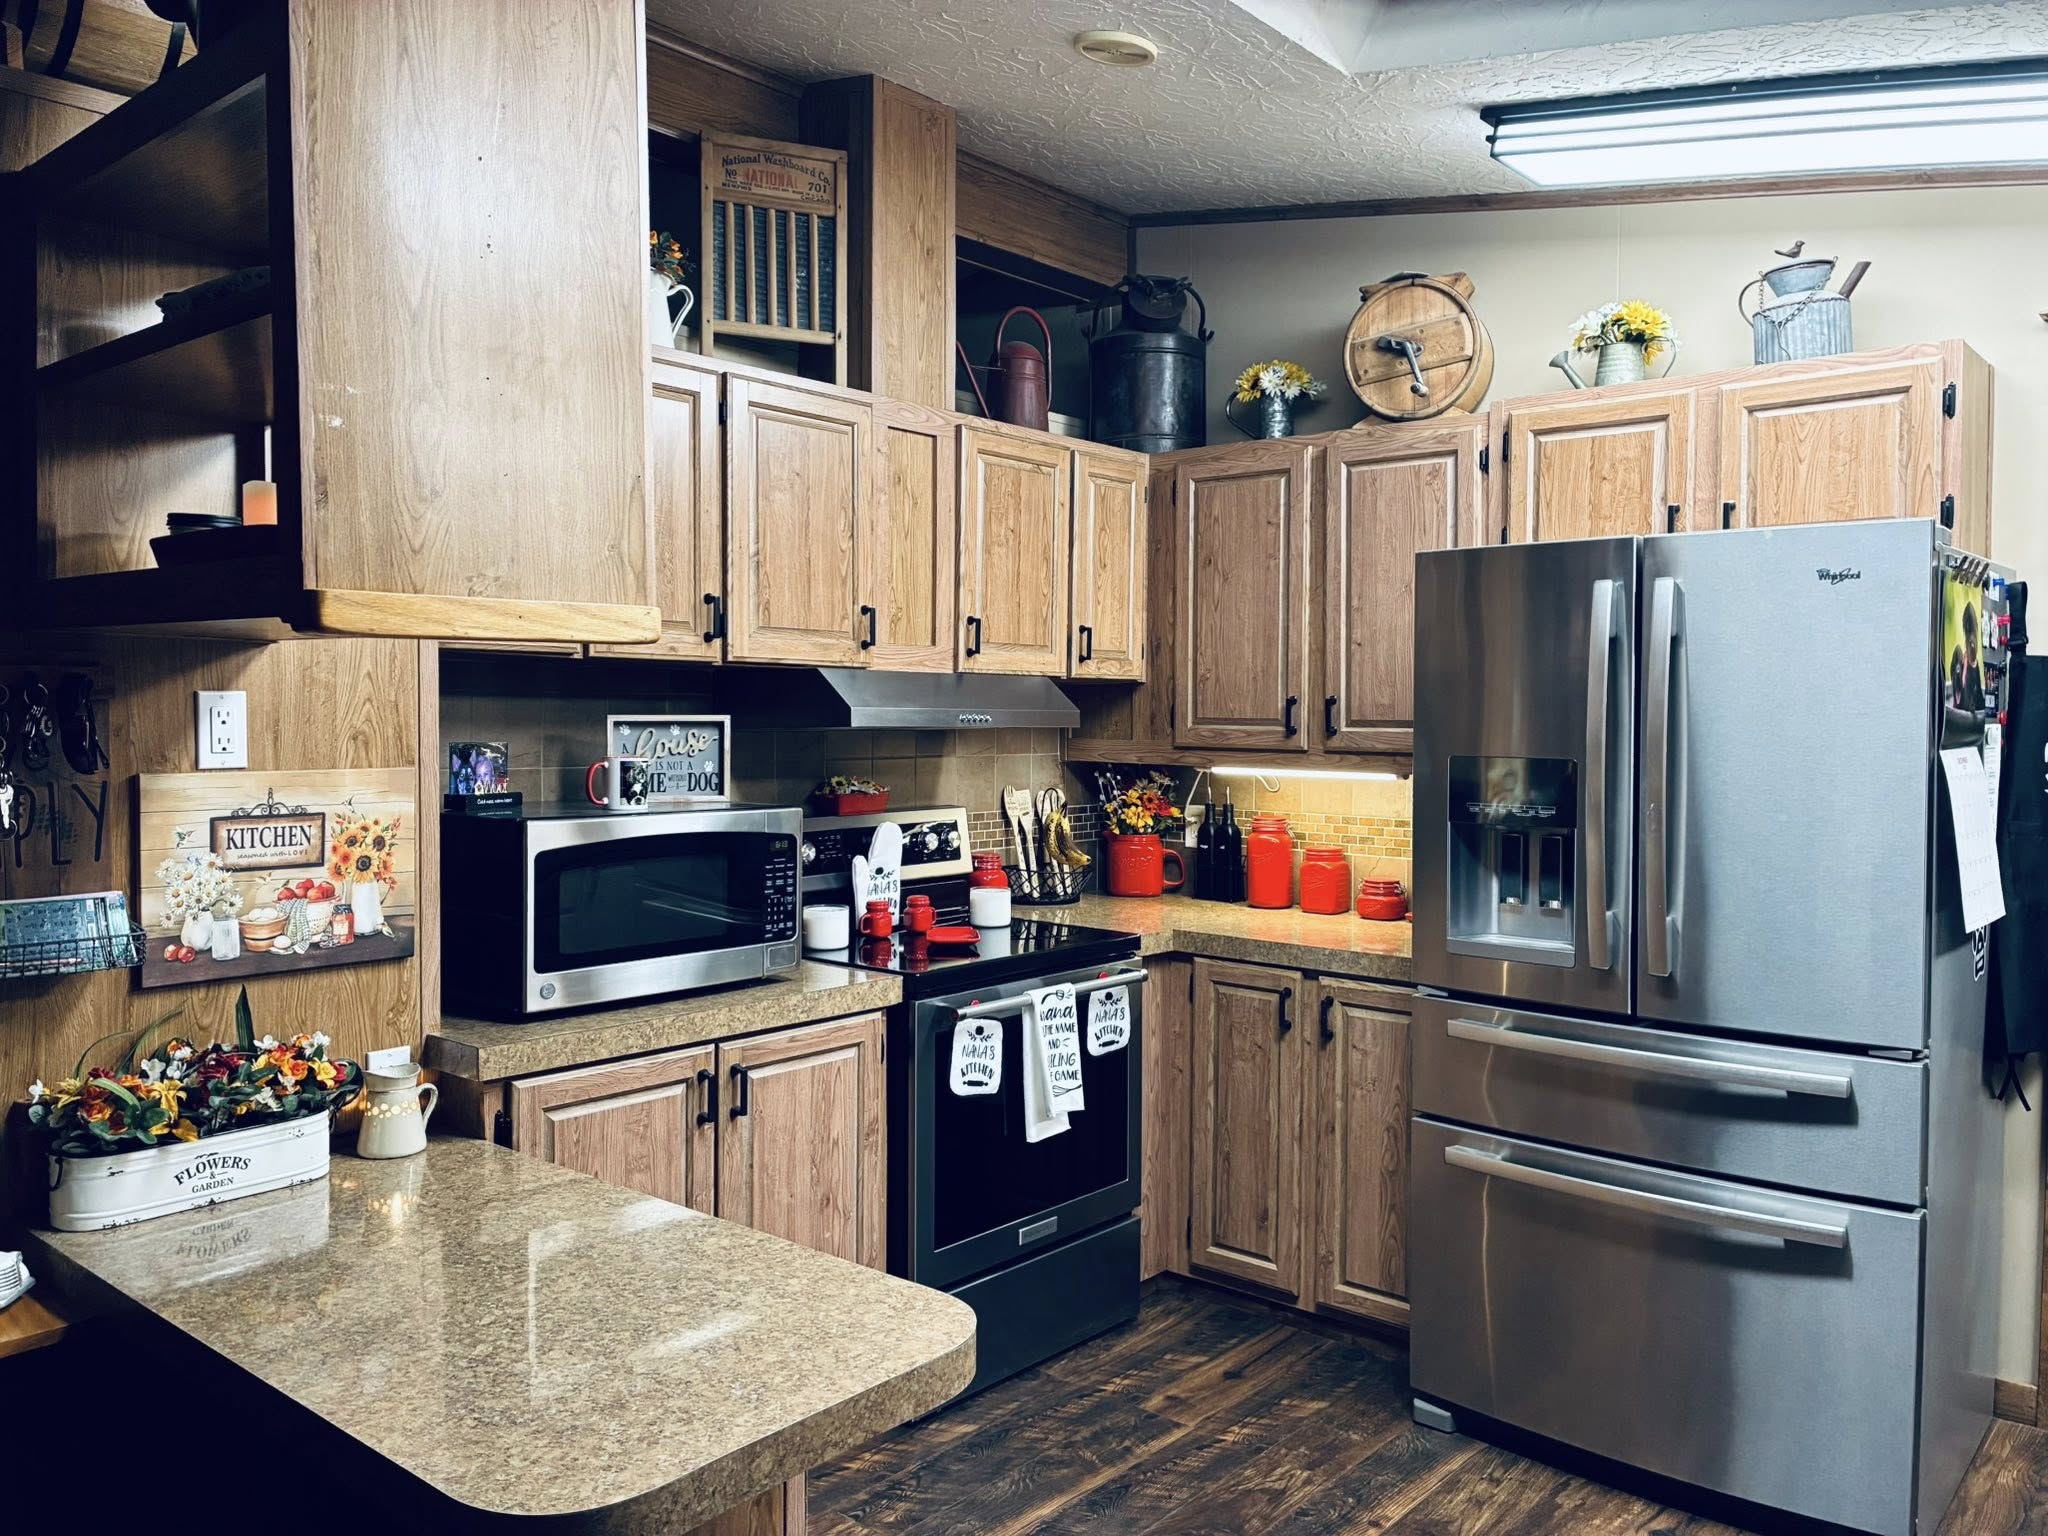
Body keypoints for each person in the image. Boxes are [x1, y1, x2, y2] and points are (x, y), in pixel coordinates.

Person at [1962, 603, 1987, 713]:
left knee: (1971, 694)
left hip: (1971, 669)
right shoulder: (1973, 636)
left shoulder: (1970, 638)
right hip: (1974, 668)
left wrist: (1965, 668)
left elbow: (1971, 659)